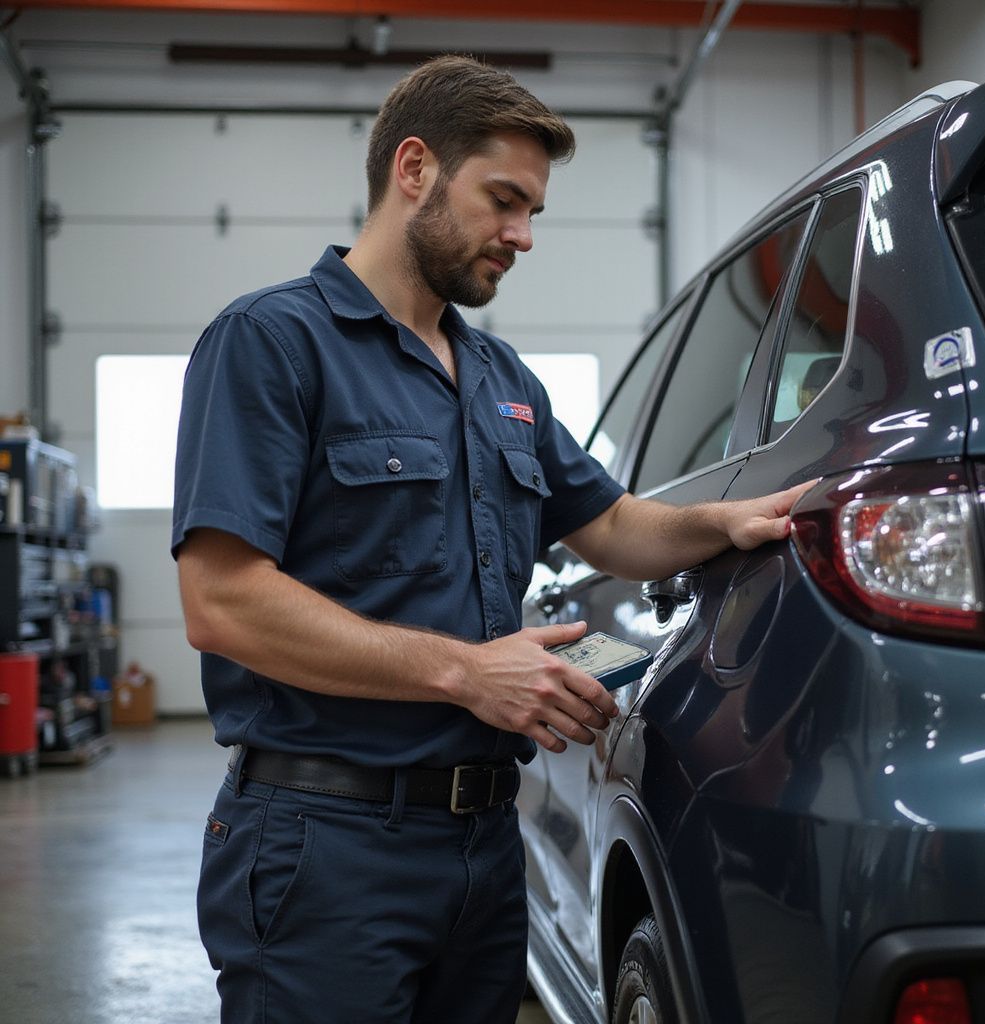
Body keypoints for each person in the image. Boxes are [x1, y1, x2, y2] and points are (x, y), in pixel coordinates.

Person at [172, 54, 813, 1024]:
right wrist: (467, 672)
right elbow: (220, 601)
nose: (520, 236)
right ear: (415, 169)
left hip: (480, 847)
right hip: (326, 842)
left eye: (533, 214)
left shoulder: (499, 376)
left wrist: (723, 522)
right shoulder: (271, 342)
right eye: (503, 200)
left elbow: (609, 525)